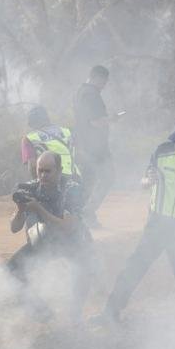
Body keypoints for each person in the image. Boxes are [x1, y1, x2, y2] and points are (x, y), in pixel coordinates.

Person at [104, 119, 175, 319]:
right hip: (157, 224)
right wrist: (147, 181)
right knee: (135, 266)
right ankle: (110, 312)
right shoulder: (162, 151)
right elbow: (144, 181)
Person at [6, 151, 91, 320]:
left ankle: (75, 315)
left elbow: (68, 227)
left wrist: (38, 209)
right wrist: (21, 210)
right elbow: (14, 228)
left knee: (84, 271)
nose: (43, 175)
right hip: (44, 241)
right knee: (11, 272)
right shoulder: (30, 188)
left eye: (48, 171)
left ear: (59, 170)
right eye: (40, 170)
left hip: (73, 241)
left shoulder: (72, 189)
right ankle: (42, 313)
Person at [73, 65, 114, 227]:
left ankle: (81, 216)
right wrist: (112, 119)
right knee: (107, 177)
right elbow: (96, 121)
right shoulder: (92, 94)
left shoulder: (79, 92)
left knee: (88, 181)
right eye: (104, 81)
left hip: (84, 144)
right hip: (95, 147)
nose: (104, 85)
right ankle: (86, 214)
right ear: (98, 78)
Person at [22, 106, 78, 181]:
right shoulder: (66, 131)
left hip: (53, 182)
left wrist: (38, 184)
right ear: (47, 119)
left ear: (31, 123)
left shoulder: (29, 138)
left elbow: (32, 166)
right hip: (75, 177)